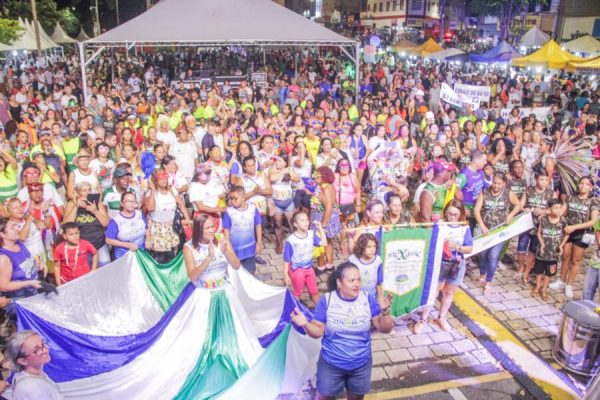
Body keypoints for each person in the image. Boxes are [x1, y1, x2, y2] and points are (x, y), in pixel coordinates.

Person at [290, 262, 393, 400]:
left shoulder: (367, 299)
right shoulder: (327, 301)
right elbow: (318, 331)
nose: (357, 284)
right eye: (351, 280)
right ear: (339, 282)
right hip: (331, 365)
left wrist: (385, 312)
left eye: (358, 280)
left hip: (360, 365)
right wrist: (306, 325)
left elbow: (385, 329)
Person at [413, 200, 472, 333]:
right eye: (450, 214)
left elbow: (469, 248)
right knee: (433, 292)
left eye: (456, 215)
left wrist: (458, 247)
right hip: (439, 262)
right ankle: (423, 319)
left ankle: (441, 317)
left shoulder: (464, 228)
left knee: (449, 292)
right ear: (445, 212)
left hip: (456, 264)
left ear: (461, 214)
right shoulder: (439, 225)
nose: (453, 217)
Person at [551, 176, 599, 298]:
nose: (584, 186)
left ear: (591, 187)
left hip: (582, 233)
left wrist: (575, 227)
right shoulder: (571, 197)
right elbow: (561, 211)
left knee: (575, 260)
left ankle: (569, 284)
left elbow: (593, 221)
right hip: (568, 231)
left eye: (587, 184)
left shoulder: (593, 201)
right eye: (581, 183)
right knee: (565, 256)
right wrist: (548, 212)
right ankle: (561, 281)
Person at [474, 172, 521, 294]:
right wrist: (482, 225)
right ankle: (482, 274)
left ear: (504, 184)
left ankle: (489, 281)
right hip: (486, 230)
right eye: (494, 182)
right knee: (483, 254)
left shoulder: (507, 193)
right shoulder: (484, 192)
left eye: (499, 183)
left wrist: (510, 215)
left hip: (500, 231)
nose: (496, 185)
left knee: (493, 255)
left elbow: (518, 205)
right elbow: (477, 210)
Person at [0, 218, 43, 318]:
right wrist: (28, 283)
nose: (17, 228)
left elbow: (27, 261)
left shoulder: (18, 242)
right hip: (19, 299)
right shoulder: (4, 257)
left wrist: (38, 263)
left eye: (16, 226)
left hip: (32, 293)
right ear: (2, 234)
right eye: (12, 227)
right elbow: (3, 285)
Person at [62, 182, 110, 266]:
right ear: (77, 193)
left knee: (106, 266)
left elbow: (106, 223)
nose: (87, 192)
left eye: (89, 189)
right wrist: (76, 207)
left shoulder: (97, 203)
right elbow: (66, 225)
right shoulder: (71, 204)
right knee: (86, 272)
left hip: (99, 243)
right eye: (84, 190)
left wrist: (95, 211)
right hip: (82, 247)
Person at [5, 330, 64, 399]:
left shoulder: (25, 375)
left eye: (43, 344)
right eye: (36, 350)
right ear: (23, 361)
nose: (45, 350)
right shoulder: (34, 390)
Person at [283, 211, 326, 304]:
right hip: (297, 270)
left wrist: (320, 229)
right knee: (297, 293)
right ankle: (294, 311)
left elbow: (324, 243)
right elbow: (287, 259)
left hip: (309, 269)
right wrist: (285, 274)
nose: (306, 222)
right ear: (295, 224)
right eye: (302, 220)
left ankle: (321, 314)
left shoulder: (311, 234)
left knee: (314, 292)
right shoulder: (291, 240)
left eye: (307, 219)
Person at [531, 199, 568, 301]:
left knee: (549, 272)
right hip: (542, 251)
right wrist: (542, 244)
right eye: (556, 208)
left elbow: (566, 235)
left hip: (554, 253)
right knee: (539, 270)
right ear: (549, 209)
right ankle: (537, 286)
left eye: (560, 208)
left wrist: (561, 246)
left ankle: (544, 288)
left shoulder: (563, 221)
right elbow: (539, 233)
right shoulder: (543, 219)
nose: (559, 210)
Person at [222, 186, 263, 274]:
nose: (232, 201)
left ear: (243, 198)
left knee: (250, 273)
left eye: (235, 199)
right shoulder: (229, 212)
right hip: (234, 250)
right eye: (231, 199)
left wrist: (259, 243)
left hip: (250, 250)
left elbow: (258, 226)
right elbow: (226, 233)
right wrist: (229, 251)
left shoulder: (253, 209)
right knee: (236, 274)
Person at [311, 166, 341, 270]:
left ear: (324, 176)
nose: (314, 177)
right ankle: (329, 264)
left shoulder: (327, 188)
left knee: (320, 242)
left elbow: (328, 208)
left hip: (324, 219)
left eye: (316, 175)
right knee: (327, 242)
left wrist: (322, 226)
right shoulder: (321, 186)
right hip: (322, 217)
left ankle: (321, 266)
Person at [105, 192, 147, 260]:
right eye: (128, 201)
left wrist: (148, 239)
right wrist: (128, 245)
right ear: (122, 203)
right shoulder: (116, 220)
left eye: (133, 201)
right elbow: (108, 240)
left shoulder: (139, 214)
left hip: (141, 253)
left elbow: (146, 228)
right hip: (124, 256)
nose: (131, 204)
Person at [347, 233, 383, 302]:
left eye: (374, 246)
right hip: (356, 297)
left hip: (372, 296)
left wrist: (381, 298)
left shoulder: (378, 260)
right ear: (361, 246)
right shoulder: (353, 260)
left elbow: (379, 282)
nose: (372, 250)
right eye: (369, 247)